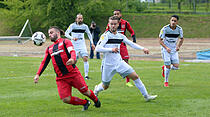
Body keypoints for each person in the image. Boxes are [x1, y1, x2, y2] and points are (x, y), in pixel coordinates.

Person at [34, 26, 101, 111]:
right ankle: (85, 103)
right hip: (61, 78)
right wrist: (37, 74)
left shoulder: (66, 42)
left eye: (51, 33)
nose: (49, 35)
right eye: (48, 34)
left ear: (57, 33)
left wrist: (73, 58)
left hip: (73, 74)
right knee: (65, 99)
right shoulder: (49, 48)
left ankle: (95, 100)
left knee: (85, 91)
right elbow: (44, 62)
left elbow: (72, 51)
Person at [94, 16, 157, 102]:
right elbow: (97, 48)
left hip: (119, 63)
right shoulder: (105, 36)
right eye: (111, 24)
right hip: (108, 65)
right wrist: (110, 49)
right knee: (105, 86)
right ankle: (96, 89)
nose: (113, 26)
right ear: (108, 24)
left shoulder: (121, 36)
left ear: (118, 24)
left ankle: (146, 96)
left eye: (115, 24)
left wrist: (143, 48)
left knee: (135, 76)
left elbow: (131, 44)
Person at [106, 9, 136, 87]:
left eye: (117, 13)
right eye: (114, 14)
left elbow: (132, 31)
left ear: (120, 14)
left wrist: (134, 37)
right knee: (111, 63)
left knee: (126, 61)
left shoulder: (125, 23)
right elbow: (106, 33)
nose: (116, 15)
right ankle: (106, 80)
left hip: (122, 45)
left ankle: (128, 81)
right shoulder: (111, 24)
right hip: (113, 46)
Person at [65, 13, 95, 80]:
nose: (80, 19)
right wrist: (72, 38)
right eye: (79, 18)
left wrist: (92, 43)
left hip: (82, 44)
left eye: (81, 18)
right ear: (76, 19)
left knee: (85, 58)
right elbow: (66, 33)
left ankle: (86, 76)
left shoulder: (85, 26)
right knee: (74, 61)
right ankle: (72, 74)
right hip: (74, 44)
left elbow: (89, 34)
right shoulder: (72, 25)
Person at [159, 15, 184, 87]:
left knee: (176, 67)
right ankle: (166, 82)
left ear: (177, 22)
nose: (173, 22)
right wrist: (166, 48)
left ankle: (165, 67)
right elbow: (160, 40)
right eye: (172, 20)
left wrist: (178, 46)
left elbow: (181, 39)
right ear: (170, 21)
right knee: (168, 65)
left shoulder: (179, 29)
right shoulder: (165, 29)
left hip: (174, 49)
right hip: (166, 49)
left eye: (175, 21)